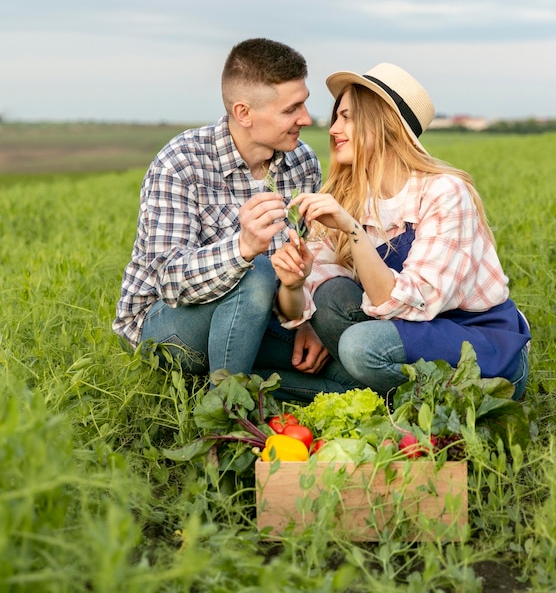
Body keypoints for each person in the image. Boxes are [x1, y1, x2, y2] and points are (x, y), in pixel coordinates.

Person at [270, 63, 531, 402]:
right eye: (337, 117)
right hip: (406, 332)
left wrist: (351, 229)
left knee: (360, 347)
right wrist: (294, 285)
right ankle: (374, 395)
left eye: (347, 117)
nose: (334, 128)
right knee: (329, 296)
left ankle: (360, 392)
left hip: (477, 346)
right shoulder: (345, 196)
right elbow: (311, 296)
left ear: (384, 125)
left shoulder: (443, 193)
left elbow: (409, 303)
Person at [113, 37, 353, 392]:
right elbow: (168, 279)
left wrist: (305, 320)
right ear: (244, 113)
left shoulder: (301, 162)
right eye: (291, 110)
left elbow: (304, 260)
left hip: (256, 319)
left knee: (343, 378)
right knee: (256, 271)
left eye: (304, 104)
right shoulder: (182, 161)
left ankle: (245, 385)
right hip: (165, 327)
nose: (306, 118)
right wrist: (242, 248)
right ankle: (225, 416)